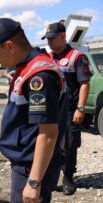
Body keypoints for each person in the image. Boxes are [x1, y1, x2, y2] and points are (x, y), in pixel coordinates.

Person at [0, 18, 67, 203]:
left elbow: (48, 133)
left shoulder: (39, 76)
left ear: (9, 46)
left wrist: (34, 182)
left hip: (31, 166)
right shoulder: (26, 68)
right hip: (27, 161)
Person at [42, 21, 92, 195]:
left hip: (70, 109)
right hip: (51, 109)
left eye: (51, 38)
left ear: (62, 36)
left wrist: (80, 108)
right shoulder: (47, 58)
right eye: (47, 39)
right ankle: (50, 176)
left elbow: (84, 84)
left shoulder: (77, 56)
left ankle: (68, 177)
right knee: (49, 142)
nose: (48, 42)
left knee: (69, 144)